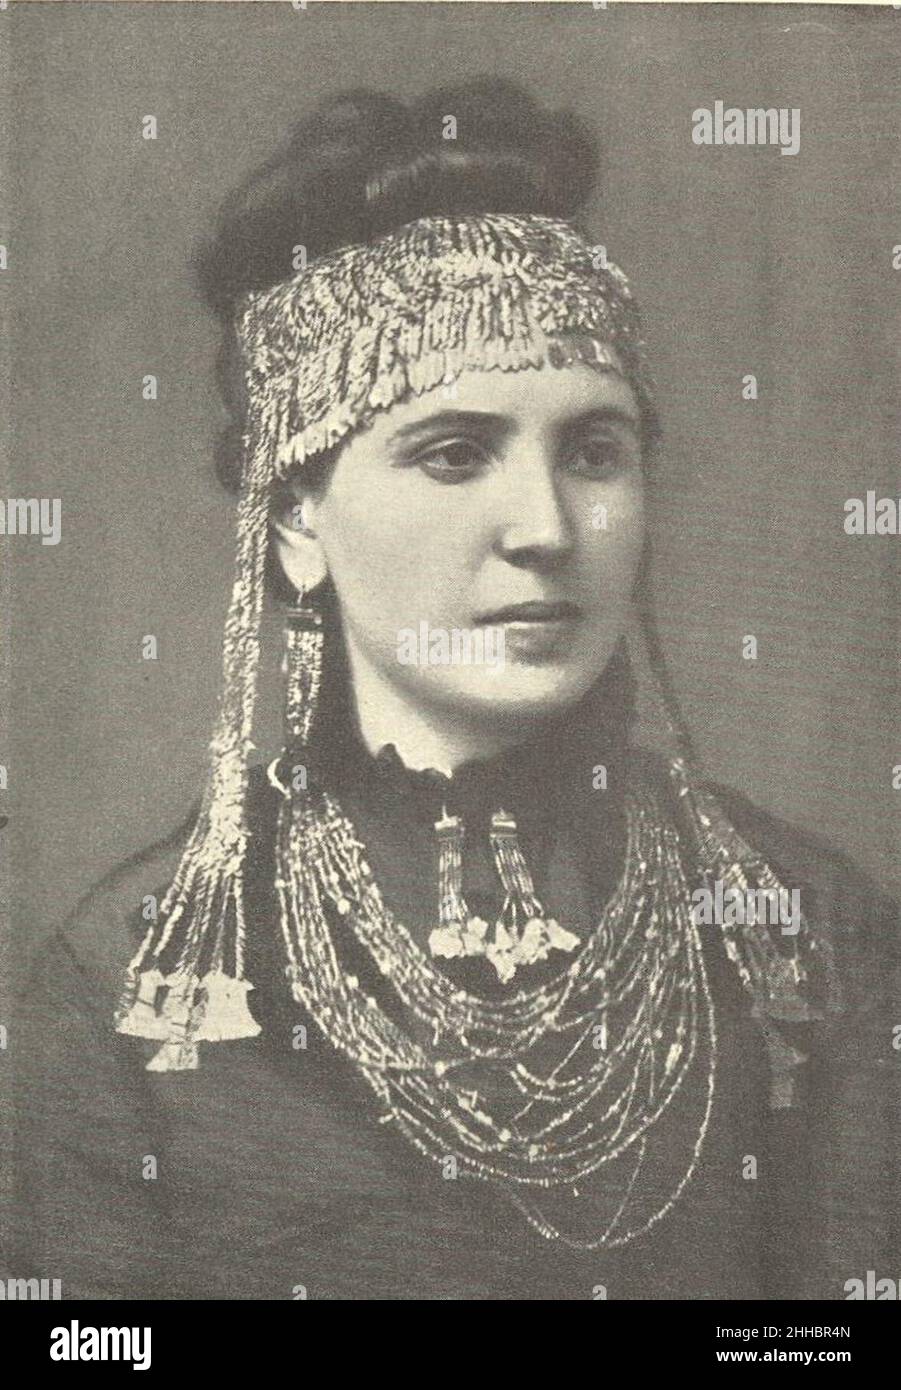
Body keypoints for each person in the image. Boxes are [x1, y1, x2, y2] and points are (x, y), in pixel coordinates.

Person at [12, 78, 899, 1300]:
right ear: (296, 522)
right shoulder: (132, 977)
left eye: (593, 451)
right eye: (453, 454)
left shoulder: (805, 932)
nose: (545, 528)